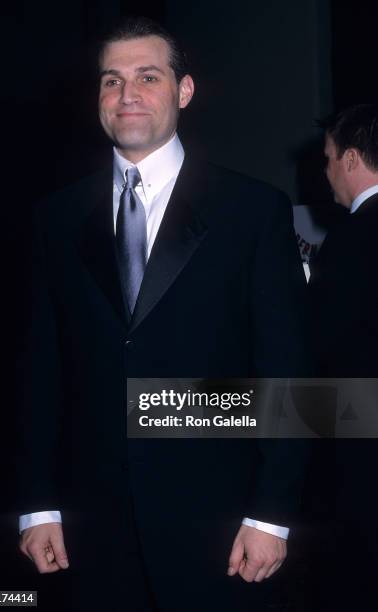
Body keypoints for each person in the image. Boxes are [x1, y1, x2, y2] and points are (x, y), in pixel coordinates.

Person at [18, 16, 312, 612]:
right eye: (111, 80)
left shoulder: (251, 211)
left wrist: (273, 514)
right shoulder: (54, 218)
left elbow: (287, 369)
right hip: (89, 527)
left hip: (223, 525)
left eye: (147, 77)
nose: (127, 95)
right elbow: (38, 372)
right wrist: (37, 503)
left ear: (184, 91)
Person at [310, 104, 378, 611]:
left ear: (352, 158)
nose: (326, 171)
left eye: (330, 158)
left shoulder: (350, 239)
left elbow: (324, 345)